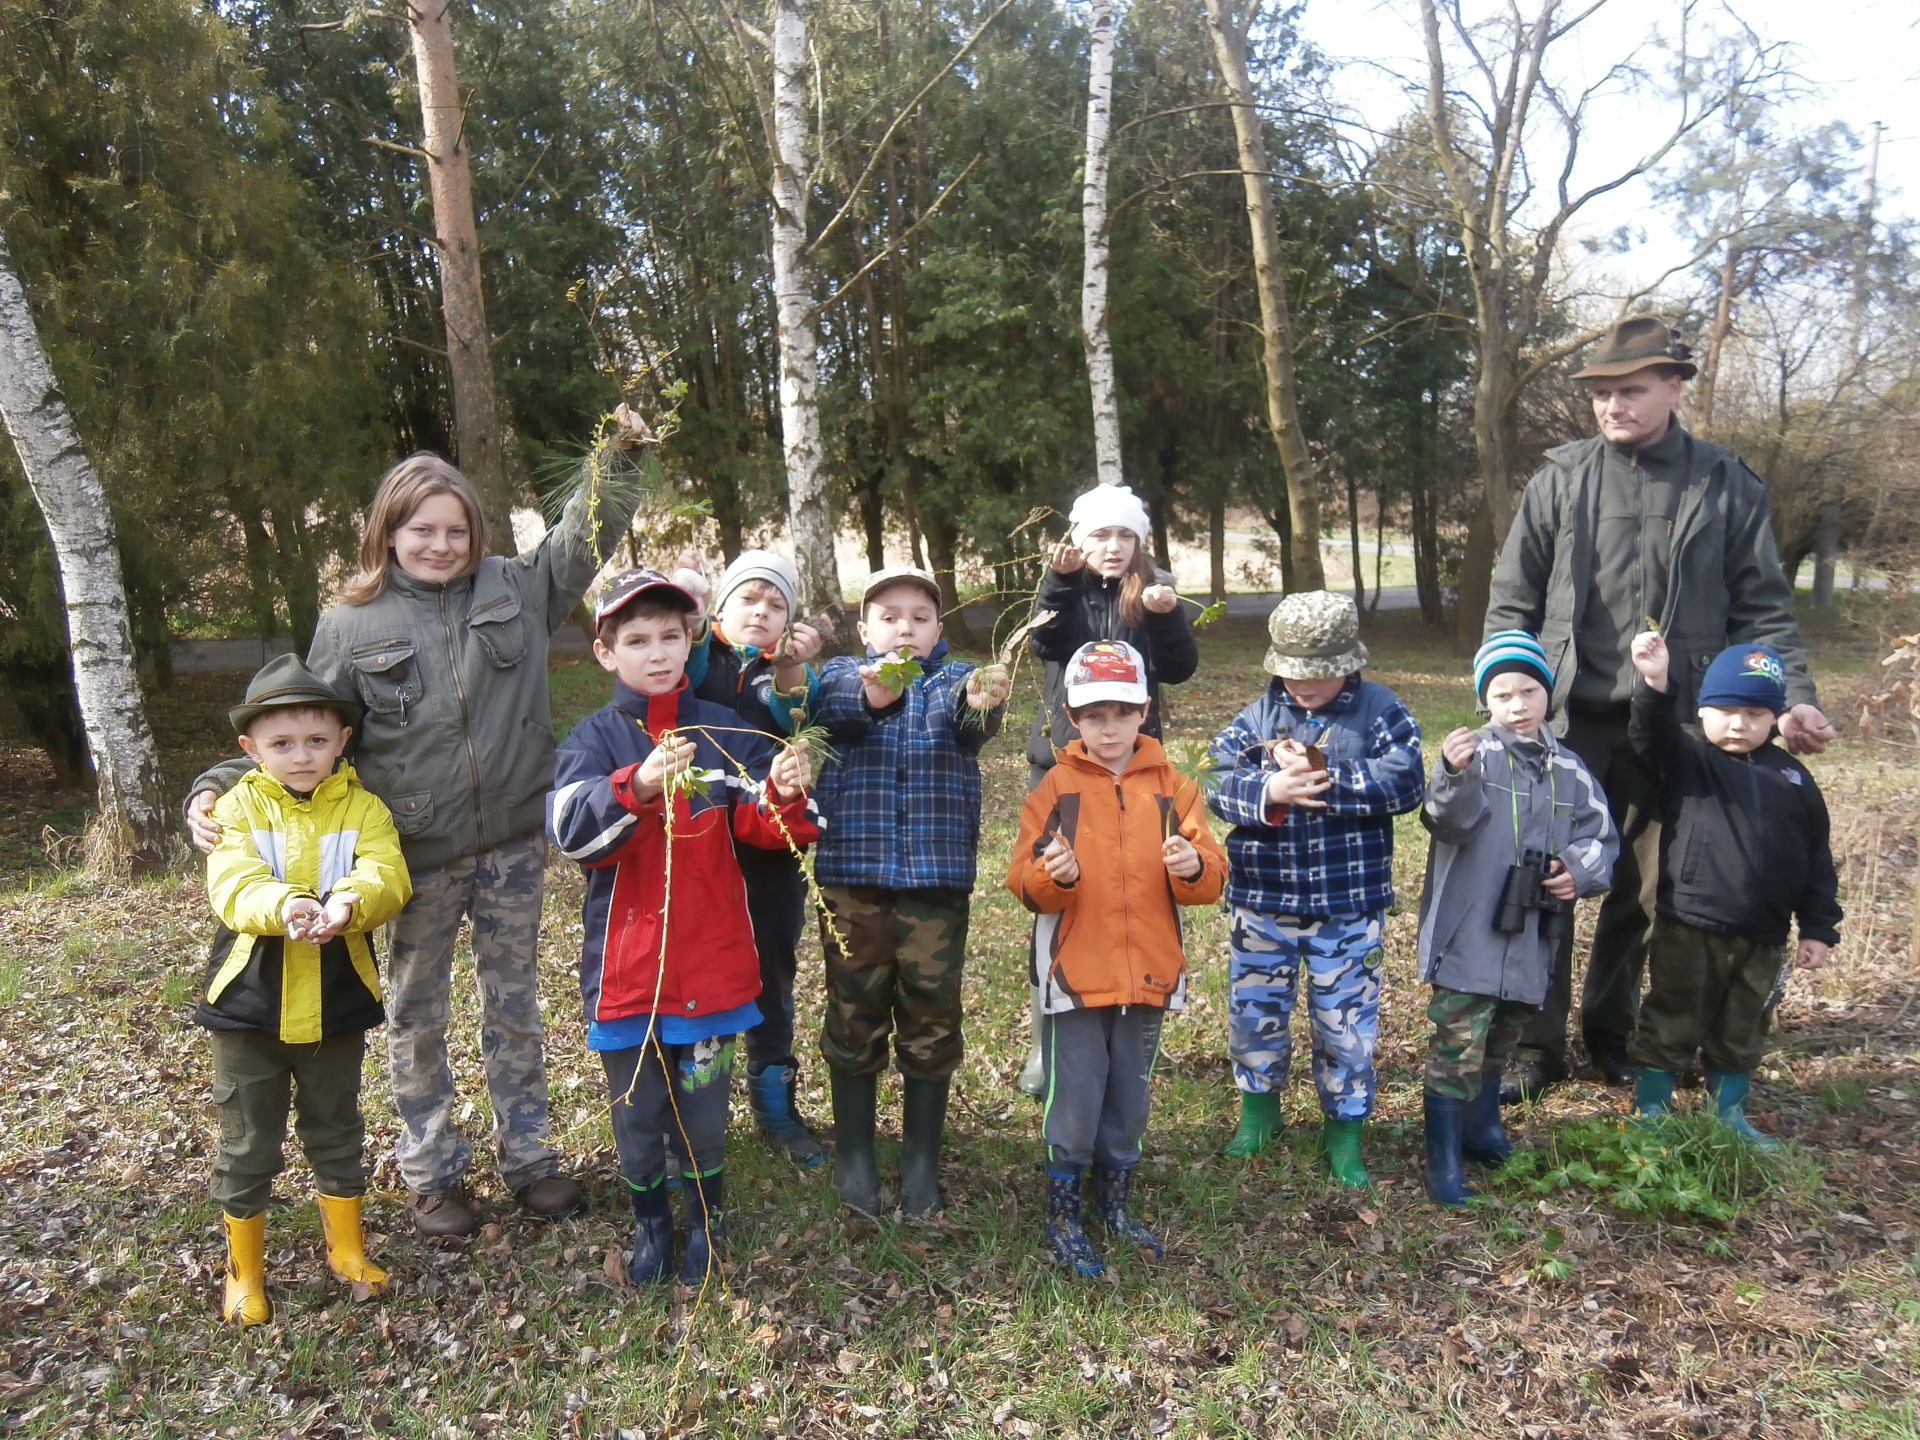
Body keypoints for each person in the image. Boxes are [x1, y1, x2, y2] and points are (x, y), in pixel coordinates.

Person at [186, 405, 656, 1236]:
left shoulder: (516, 587)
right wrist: (215, 784)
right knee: (417, 1013)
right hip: (412, 859)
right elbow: (305, 725)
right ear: (388, 534)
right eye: (421, 530)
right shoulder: (350, 625)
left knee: (514, 1005)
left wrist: (620, 455)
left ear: (477, 533)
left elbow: (584, 538)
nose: (441, 545)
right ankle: (433, 1170)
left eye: (457, 530)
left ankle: (531, 1158)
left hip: (512, 843)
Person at [1484, 315, 1835, 1102]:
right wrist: (1509, 695)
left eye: (1630, 390)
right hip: (1567, 721)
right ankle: (1533, 1048)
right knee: (1546, 882)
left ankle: (1615, 1038)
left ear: (1674, 388)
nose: (1612, 405)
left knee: (1647, 894)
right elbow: (1511, 602)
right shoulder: (1560, 479)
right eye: (1601, 393)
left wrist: (1796, 699)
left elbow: (1767, 610)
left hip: (1678, 728)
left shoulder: (1725, 484)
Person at [547, 568, 817, 1285]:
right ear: (607, 654)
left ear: (693, 638)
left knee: (702, 1111)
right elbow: (570, 831)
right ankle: (651, 1226)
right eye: (637, 639)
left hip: (712, 976)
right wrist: (636, 787)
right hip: (627, 979)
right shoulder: (595, 738)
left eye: (671, 635)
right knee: (637, 1116)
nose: (657, 652)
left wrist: (784, 793)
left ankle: (707, 1221)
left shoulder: (726, 731)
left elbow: (767, 828)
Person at [197, 656, 412, 1324]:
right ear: (249, 750)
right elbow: (231, 882)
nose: (300, 756)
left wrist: (348, 902)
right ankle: (243, 1273)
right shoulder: (236, 805)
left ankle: (346, 1248)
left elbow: (388, 872)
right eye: (281, 744)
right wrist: (286, 904)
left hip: (337, 997)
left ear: (342, 741)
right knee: (247, 1141)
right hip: (249, 1006)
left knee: (337, 1127)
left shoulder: (365, 807)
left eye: (317, 741)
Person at [1006, 641, 1227, 1276]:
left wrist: (1192, 867)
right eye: (1093, 715)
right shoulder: (1055, 787)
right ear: (1072, 718)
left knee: (1129, 1097)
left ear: (1144, 713)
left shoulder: (1175, 788)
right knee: (1075, 1098)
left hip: (1149, 974)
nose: (1108, 728)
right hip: (1077, 976)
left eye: (1122, 713)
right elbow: (1022, 881)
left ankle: (1116, 1205)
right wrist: (1057, 877)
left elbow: (1210, 876)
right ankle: (1064, 1212)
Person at [1204, 592, 1424, 1184]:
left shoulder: (1380, 711)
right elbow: (1214, 781)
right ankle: (1259, 1113)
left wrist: (1327, 775)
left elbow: (1406, 781)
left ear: (1348, 663)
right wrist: (1268, 791)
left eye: (1317, 673)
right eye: (1290, 671)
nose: (1300, 685)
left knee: (1346, 1025)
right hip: (1262, 902)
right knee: (1255, 1014)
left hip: (1346, 907)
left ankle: (1344, 1132)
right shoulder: (1256, 717)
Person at [812, 566, 1011, 1217]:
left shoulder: (955, 680)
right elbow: (837, 710)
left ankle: (922, 1160)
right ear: (865, 628)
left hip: (935, 884)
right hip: (853, 883)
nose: (905, 626)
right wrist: (877, 689)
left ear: (938, 631)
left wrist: (987, 697)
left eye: (920, 617)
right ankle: (856, 1154)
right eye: (890, 615)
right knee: (854, 1009)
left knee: (931, 1013)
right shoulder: (844, 676)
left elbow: (972, 720)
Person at [1417, 633, 1617, 1206]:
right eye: (1502, 694)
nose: (1517, 705)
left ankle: (1482, 1131)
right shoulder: (1474, 754)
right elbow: (1445, 820)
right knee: (1459, 1041)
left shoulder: (1570, 770)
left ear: (1546, 694)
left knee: (1504, 1033)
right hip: (1471, 931)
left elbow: (1600, 836)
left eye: (1528, 690)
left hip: (1531, 932)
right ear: (1486, 702)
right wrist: (1453, 774)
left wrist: (1576, 870)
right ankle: (1444, 1160)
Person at [1017, 482, 1199, 1097]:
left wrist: (1168, 614)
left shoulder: (1152, 592)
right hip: (1064, 765)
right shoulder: (1063, 584)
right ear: (1078, 539)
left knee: (1135, 896)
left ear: (1140, 541)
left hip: (1134, 772)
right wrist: (1060, 584)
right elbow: (1044, 642)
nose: (1113, 546)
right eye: (1100, 534)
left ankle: (1133, 1039)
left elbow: (1177, 667)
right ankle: (1049, 1045)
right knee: (1060, 900)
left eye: (1125, 534)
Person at [1624, 634, 1841, 1146]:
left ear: (1776, 720)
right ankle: (1651, 1108)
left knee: (1744, 1025)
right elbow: (1648, 732)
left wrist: (1818, 928)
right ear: (1701, 710)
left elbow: (1816, 861)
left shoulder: (1793, 778)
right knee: (1673, 1014)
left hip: (1763, 935)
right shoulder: (1689, 756)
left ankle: (1728, 1115)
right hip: (1690, 922)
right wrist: (1656, 681)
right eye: (1725, 710)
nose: (1740, 724)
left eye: (1755, 713)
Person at [686, 550, 829, 1166]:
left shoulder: (787, 671)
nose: (761, 612)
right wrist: (690, 626)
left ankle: (775, 1100)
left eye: (776, 605)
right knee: (703, 970)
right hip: (701, 840)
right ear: (722, 606)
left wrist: (794, 667)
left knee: (772, 968)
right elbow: (678, 680)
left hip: (771, 845)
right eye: (749, 599)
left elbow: (797, 709)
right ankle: (699, 1102)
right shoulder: (696, 655)